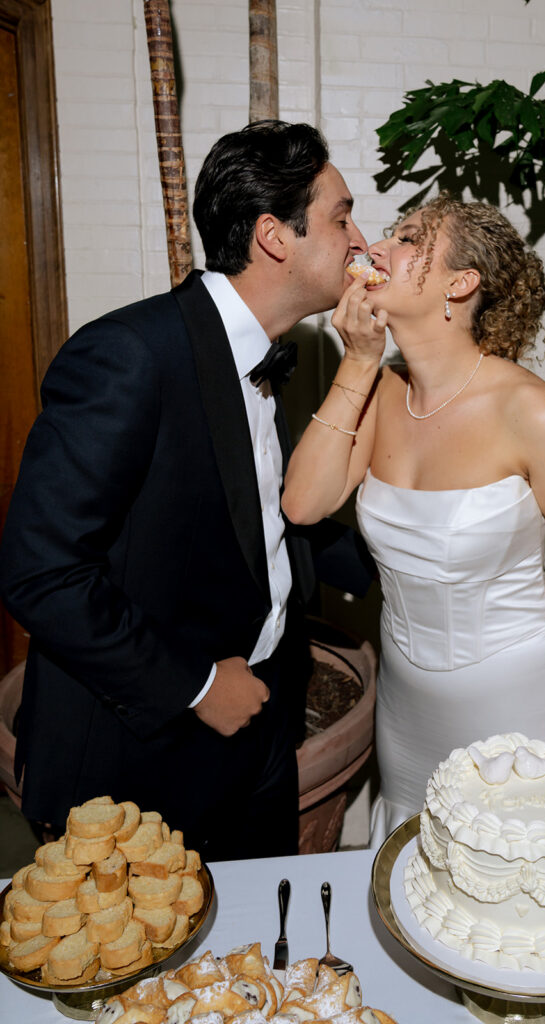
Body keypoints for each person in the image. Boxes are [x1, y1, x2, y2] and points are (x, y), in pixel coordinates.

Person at [0, 120, 371, 860]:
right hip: (141, 749)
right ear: (274, 236)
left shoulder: (272, 358)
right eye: (339, 217)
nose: (359, 240)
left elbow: (270, 516)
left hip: (262, 726)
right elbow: (41, 572)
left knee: (256, 949)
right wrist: (196, 685)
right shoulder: (129, 356)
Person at [282, 194, 545, 845]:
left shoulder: (533, 413)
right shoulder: (378, 391)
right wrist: (356, 360)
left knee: (510, 881)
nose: (375, 249)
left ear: (459, 284)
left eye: (408, 240)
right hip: (405, 703)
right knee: (412, 865)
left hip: (514, 699)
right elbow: (302, 503)